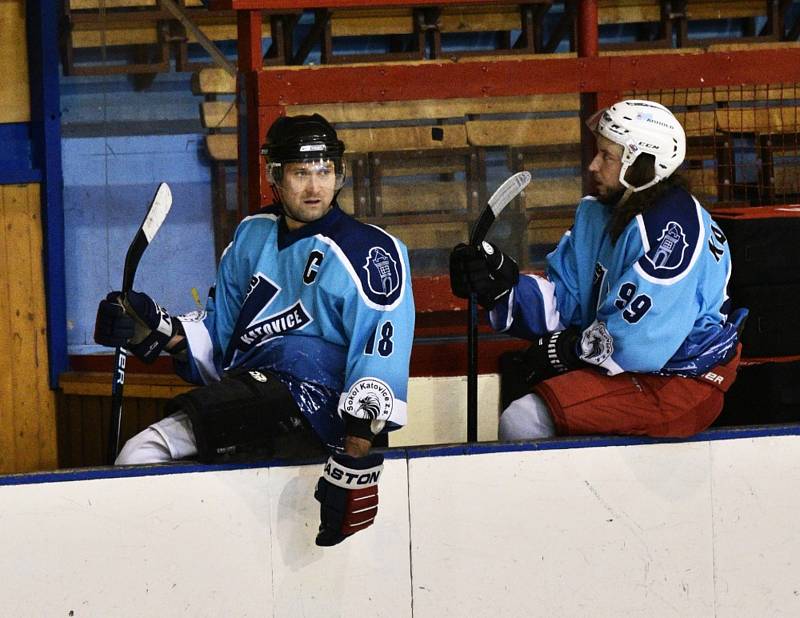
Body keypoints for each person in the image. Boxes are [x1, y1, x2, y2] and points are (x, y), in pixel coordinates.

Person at [94, 113, 415, 546]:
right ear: (274, 177)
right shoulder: (251, 236)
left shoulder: (371, 251)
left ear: (340, 173)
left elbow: (381, 356)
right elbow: (221, 338)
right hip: (257, 393)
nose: (315, 186)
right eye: (301, 173)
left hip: (317, 406)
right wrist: (156, 330)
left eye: (325, 171)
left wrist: (354, 463)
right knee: (153, 460)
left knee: (143, 453)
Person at [450, 99, 746, 441]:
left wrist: (568, 349)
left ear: (643, 163)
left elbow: (638, 344)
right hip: (636, 369)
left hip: (679, 381)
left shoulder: (672, 232)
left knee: (525, 419)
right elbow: (567, 301)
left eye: (607, 156)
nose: (593, 165)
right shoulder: (599, 213)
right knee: (527, 393)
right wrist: (502, 288)